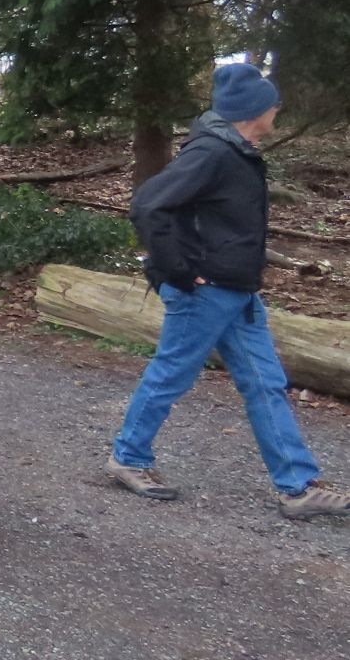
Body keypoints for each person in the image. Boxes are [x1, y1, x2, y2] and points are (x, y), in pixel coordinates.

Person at [108, 65, 349, 519]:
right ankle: (128, 458)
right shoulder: (212, 153)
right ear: (254, 110)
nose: (278, 109)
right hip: (204, 293)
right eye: (273, 103)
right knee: (171, 374)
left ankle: (298, 487)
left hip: (238, 292)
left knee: (266, 383)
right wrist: (179, 270)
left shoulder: (238, 152)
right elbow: (148, 204)